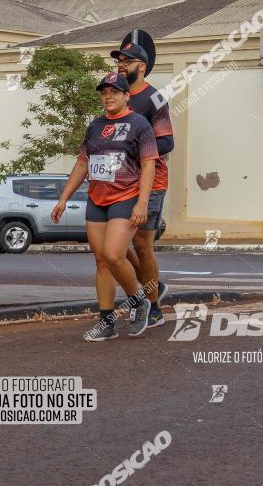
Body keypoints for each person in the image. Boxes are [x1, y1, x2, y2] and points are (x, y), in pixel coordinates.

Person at [51, 71, 158, 340]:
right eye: (104, 91)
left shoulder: (139, 125)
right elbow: (83, 162)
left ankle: (138, 300)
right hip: (97, 198)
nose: (108, 95)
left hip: (126, 197)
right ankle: (106, 323)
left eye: (114, 91)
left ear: (126, 95)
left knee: (113, 255)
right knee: (101, 261)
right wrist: (64, 197)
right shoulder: (96, 125)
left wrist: (142, 203)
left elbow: (148, 164)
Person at [109, 39, 174, 328]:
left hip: (152, 180)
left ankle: (155, 308)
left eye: (127, 60)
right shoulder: (116, 95)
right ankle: (153, 287)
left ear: (142, 66)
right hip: (120, 181)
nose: (121, 65)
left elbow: (167, 141)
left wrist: (133, 148)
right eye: (119, 61)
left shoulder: (154, 99)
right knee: (117, 247)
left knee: (142, 245)